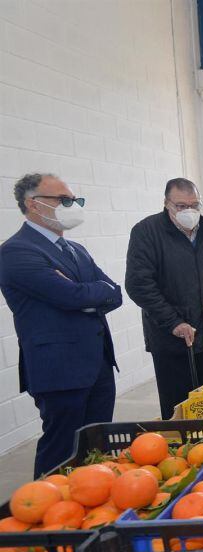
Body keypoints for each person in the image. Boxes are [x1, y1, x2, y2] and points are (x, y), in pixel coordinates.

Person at [0, 173, 122, 476]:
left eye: (74, 200)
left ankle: (92, 504)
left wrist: (89, 294)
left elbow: (114, 293)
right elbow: (69, 296)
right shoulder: (16, 252)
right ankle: (49, 516)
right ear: (33, 204)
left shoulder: (76, 250)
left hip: (98, 364)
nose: (72, 205)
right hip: (60, 369)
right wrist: (89, 294)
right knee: (62, 449)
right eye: (63, 200)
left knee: (98, 444)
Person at [126, 178, 203, 419]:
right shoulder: (146, 232)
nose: (189, 211)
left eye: (195, 205)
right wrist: (174, 322)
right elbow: (139, 285)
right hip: (171, 337)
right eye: (181, 206)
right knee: (177, 407)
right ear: (166, 204)